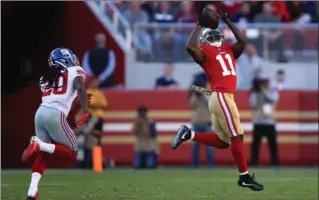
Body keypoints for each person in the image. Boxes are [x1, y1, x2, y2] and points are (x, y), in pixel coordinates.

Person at [171, 9, 264, 191]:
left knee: (224, 141)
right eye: (211, 35)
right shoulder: (205, 52)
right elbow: (190, 47)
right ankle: (244, 177)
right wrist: (198, 25)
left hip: (222, 97)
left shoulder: (229, 49)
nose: (214, 36)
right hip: (221, 96)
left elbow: (243, 41)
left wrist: (229, 22)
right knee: (237, 136)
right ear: (205, 41)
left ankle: (189, 134)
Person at [21, 48, 90, 200]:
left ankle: (32, 190)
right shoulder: (76, 70)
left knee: (43, 156)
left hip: (40, 113)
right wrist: (85, 110)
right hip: (55, 114)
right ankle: (39, 145)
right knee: (73, 152)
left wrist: (78, 100)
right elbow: (79, 87)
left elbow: (60, 94)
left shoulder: (45, 78)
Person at [249, 76, 279, 166]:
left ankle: (275, 162)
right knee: (255, 145)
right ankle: (254, 162)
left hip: (269, 122)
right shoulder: (255, 93)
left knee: (273, 144)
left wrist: (263, 90)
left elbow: (273, 98)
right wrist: (256, 92)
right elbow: (252, 104)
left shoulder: (271, 91)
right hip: (259, 122)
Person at [189, 74, 213, 168]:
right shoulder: (194, 94)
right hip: (196, 123)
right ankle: (194, 165)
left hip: (207, 122)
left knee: (209, 147)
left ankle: (210, 165)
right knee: (195, 147)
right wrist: (195, 93)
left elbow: (210, 102)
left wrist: (202, 90)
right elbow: (192, 104)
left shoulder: (208, 92)